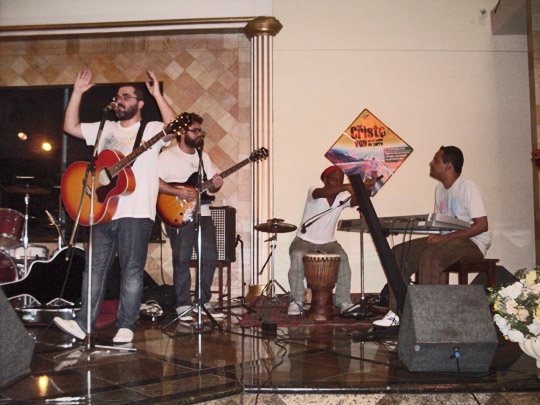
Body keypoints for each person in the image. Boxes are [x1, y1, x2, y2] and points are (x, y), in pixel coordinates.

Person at [54, 69, 177, 343]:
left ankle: (126, 325)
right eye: (117, 96)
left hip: (136, 213)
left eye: (126, 96)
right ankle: (83, 324)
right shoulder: (106, 127)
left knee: (131, 271)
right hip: (101, 211)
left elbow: (173, 126)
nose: (119, 100)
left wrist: (157, 94)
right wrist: (77, 93)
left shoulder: (151, 129)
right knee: (93, 270)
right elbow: (70, 127)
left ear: (139, 103)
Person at [374, 146, 491, 327]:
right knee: (398, 253)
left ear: (448, 166)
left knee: (431, 256)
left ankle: (430, 319)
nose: (431, 163)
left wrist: (444, 239)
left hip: (473, 242)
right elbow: (441, 226)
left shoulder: (467, 186)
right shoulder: (439, 189)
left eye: (436, 160)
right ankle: (398, 313)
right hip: (448, 241)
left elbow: (482, 226)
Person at [158, 112, 225, 321]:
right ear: (181, 132)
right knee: (181, 259)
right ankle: (183, 304)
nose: (198, 134)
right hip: (178, 215)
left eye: (200, 131)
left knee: (209, 258)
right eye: (194, 130)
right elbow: (153, 181)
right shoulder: (167, 156)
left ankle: (203, 302)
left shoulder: (203, 157)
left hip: (203, 214)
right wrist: (177, 192)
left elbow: (210, 188)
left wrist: (216, 185)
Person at [287, 166, 374, 316]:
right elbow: (323, 192)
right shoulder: (315, 190)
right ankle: (297, 301)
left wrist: (368, 189)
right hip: (304, 240)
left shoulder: (342, 197)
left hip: (329, 242)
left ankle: (344, 301)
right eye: (334, 180)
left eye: (341, 180)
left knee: (343, 257)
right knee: (298, 254)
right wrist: (347, 186)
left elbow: (360, 201)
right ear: (325, 180)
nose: (338, 183)